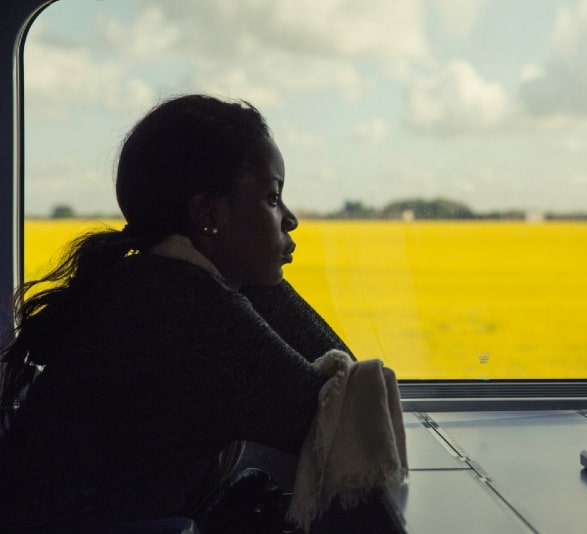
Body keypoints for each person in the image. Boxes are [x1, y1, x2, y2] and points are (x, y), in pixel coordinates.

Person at [0, 94, 353, 532]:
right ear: (209, 215)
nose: (291, 219)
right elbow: (343, 417)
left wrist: (244, 269)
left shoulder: (153, 282)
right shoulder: (177, 303)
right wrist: (265, 282)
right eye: (273, 198)